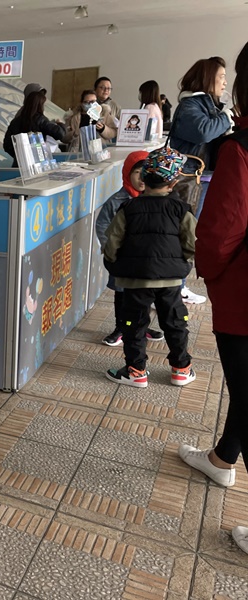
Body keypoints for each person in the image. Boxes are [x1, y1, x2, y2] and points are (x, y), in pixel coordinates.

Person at [179, 40, 248, 555]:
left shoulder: (240, 146)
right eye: (219, 81)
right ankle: (224, 459)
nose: (224, 88)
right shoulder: (197, 110)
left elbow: (221, 231)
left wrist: (207, 271)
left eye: (232, 81)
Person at [103, 147, 197, 388]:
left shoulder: (128, 208)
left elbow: (112, 241)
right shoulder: (181, 210)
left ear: (143, 178)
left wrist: (113, 264)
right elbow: (192, 242)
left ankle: (136, 372)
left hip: (136, 279)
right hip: (170, 280)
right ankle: (181, 369)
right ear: (174, 182)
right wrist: (181, 264)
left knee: (134, 324)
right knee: (175, 322)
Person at [168, 56, 233, 304]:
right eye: (221, 77)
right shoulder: (189, 106)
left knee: (187, 233)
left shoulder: (206, 105)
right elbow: (203, 131)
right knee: (181, 233)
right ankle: (172, 288)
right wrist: (226, 118)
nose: (225, 83)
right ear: (208, 79)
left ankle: (177, 286)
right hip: (187, 181)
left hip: (200, 179)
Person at [95, 150, 164, 347]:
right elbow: (102, 225)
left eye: (146, 172)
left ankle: (142, 327)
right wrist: (112, 251)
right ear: (126, 173)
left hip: (145, 259)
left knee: (143, 295)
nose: (141, 178)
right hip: (122, 259)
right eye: (136, 173)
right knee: (122, 294)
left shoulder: (154, 200)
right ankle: (121, 328)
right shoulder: (117, 201)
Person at [3, 90, 66, 167]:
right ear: (39, 106)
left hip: (19, 165)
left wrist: (19, 156)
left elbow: (7, 145)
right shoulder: (41, 120)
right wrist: (60, 124)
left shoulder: (16, 121)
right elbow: (60, 134)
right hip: (39, 164)